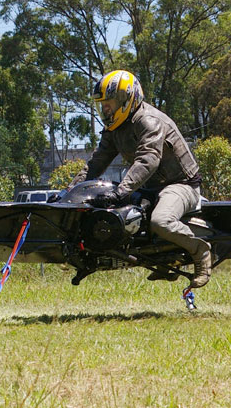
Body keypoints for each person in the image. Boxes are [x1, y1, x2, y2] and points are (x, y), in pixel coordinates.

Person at [69, 70, 212, 288]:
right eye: (102, 105)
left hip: (181, 185)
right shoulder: (114, 127)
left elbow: (148, 160)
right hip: (150, 187)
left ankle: (200, 252)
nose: (105, 110)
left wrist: (120, 192)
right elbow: (96, 163)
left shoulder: (148, 120)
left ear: (127, 99)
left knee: (160, 221)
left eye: (110, 103)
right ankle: (165, 260)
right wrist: (69, 193)